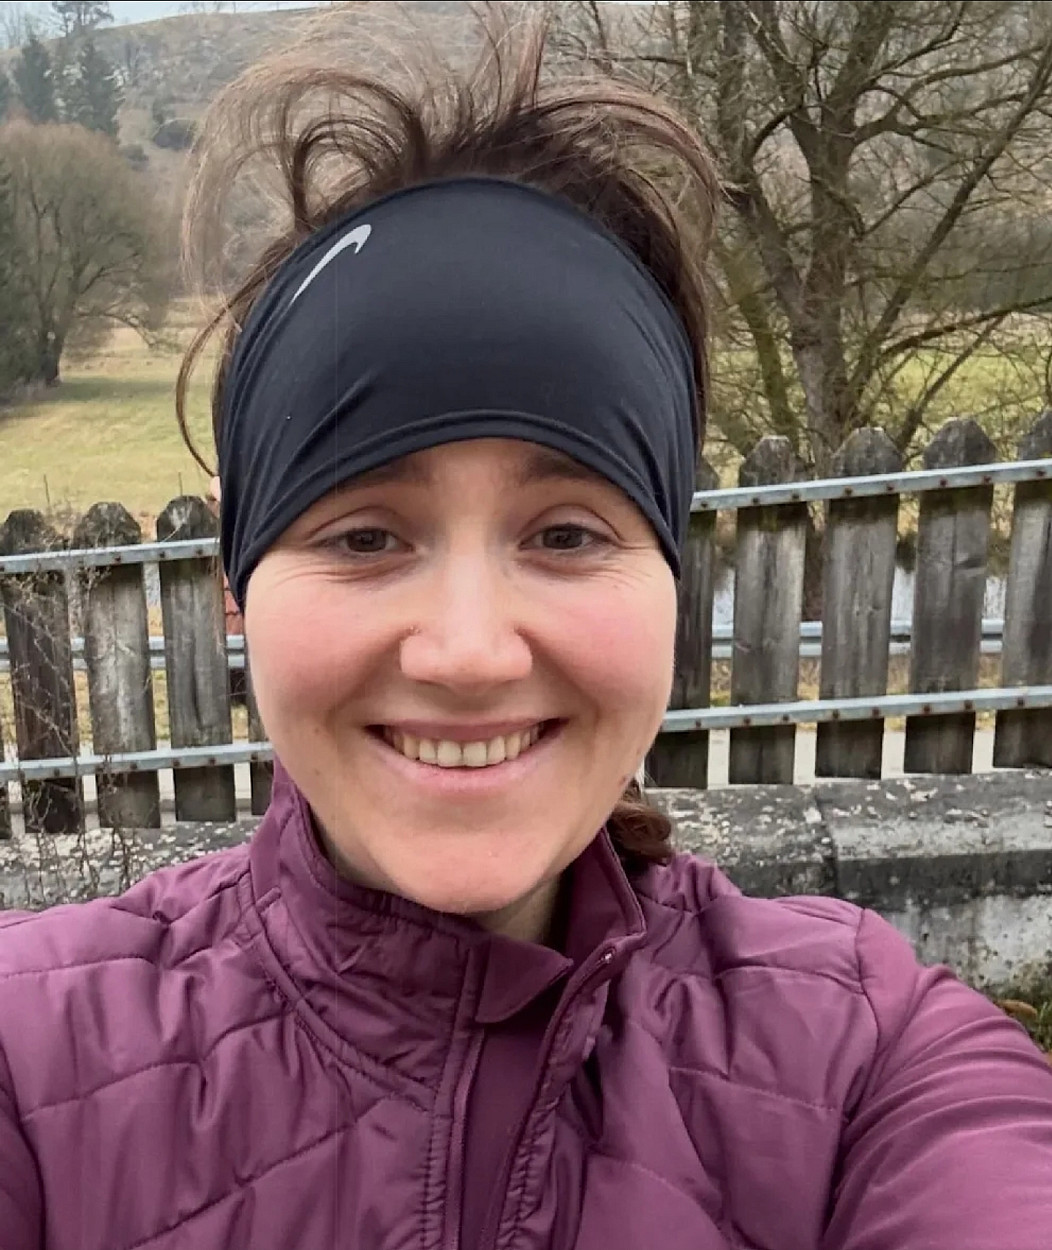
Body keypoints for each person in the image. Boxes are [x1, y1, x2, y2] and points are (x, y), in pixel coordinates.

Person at [1, 11, 1051, 1250]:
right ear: (237, 580)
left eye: (563, 532)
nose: (468, 652)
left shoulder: (870, 1057)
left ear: (672, 571)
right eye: (363, 535)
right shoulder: (28, 1061)